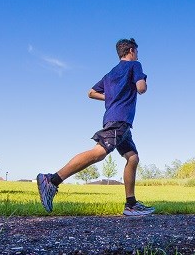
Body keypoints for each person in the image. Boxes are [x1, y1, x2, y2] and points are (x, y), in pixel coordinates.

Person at [36, 38, 155, 216]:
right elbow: (141, 88)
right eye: (136, 51)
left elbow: (91, 93)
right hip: (120, 120)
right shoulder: (135, 65)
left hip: (115, 120)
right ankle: (51, 180)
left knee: (133, 158)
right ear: (131, 50)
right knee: (99, 152)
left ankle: (131, 204)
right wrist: (143, 82)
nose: (137, 54)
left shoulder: (110, 74)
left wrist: (110, 98)